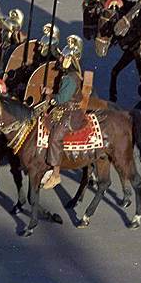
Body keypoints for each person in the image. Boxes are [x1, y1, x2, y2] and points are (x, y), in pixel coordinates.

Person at [41, 35, 87, 190]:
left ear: (69, 60)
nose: (60, 60)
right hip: (64, 110)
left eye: (63, 58)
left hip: (70, 113)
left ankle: (55, 174)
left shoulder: (70, 78)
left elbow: (61, 98)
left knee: (55, 137)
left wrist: (49, 97)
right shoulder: (68, 75)